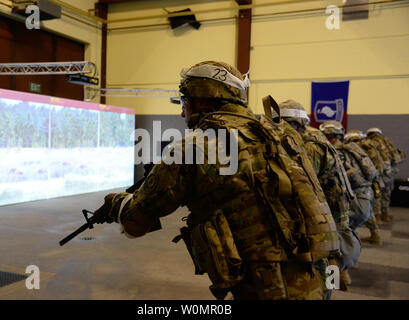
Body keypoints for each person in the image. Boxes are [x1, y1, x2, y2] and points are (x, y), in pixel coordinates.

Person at [91, 61, 339, 300]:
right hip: (317, 272)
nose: (181, 112)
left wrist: (117, 204)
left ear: (201, 101)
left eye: (184, 102)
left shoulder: (196, 146)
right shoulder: (283, 135)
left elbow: (138, 219)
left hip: (271, 287)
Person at [278, 101, 360, 293]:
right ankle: (337, 277)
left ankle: (331, 287)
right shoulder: (313, 138)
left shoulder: (311, 144)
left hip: (329, 213)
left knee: (326, 262)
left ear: (294, 124)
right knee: (330, 258)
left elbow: (297, 178)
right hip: (329, 209)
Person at [344, 130, 383, 245]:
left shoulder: (353, 150)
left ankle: (352, 245)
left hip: (360, 186)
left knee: (354, 215)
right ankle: (376, 236)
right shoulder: (369, 148)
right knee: (368, 210)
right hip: (371, 182)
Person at [366, 128, 405, 222]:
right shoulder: (387, 141)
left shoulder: (369, 143)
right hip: (388, 173)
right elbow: (396, 158)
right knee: (386, 193)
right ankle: (385, 215)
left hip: (376, 173)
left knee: (376, 194)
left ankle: (377, 217)